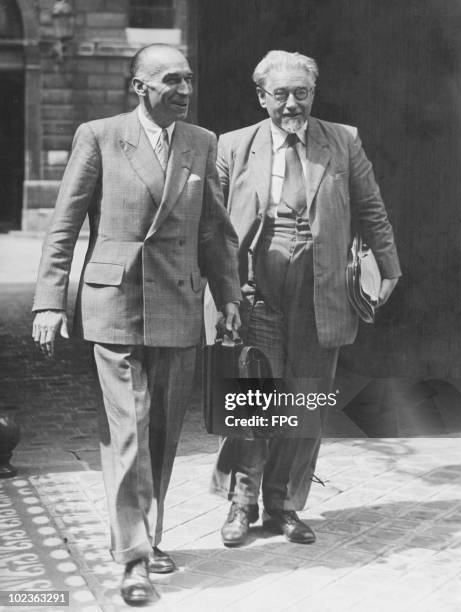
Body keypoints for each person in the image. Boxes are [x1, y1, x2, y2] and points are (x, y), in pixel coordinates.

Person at [32, 44, 241, 605]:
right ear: (140, 87)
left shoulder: (201, 142)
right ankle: (135, 558)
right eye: (171, 80)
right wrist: (49, 301)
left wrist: (227, 297)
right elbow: (64, 225)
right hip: (115, 303)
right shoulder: (99, 135)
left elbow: (214, 232)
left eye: (189, 80)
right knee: (128, 429)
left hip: (179, 303)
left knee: (164, 434)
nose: (185, 90)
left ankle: (150, 532)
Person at [210, 50, 401, 547]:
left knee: (305, 397)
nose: (293, 103)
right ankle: (241, 501)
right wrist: (217, 291)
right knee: (256, 396)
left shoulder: (342, 140)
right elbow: (212, 226)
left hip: (322, 292)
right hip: (256, 290)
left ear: (313, 93)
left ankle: (284, 505)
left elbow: (371, 207)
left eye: (303, 93)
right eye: (281, 94)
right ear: (261, 96)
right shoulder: (234, 146)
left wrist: (389, 267)